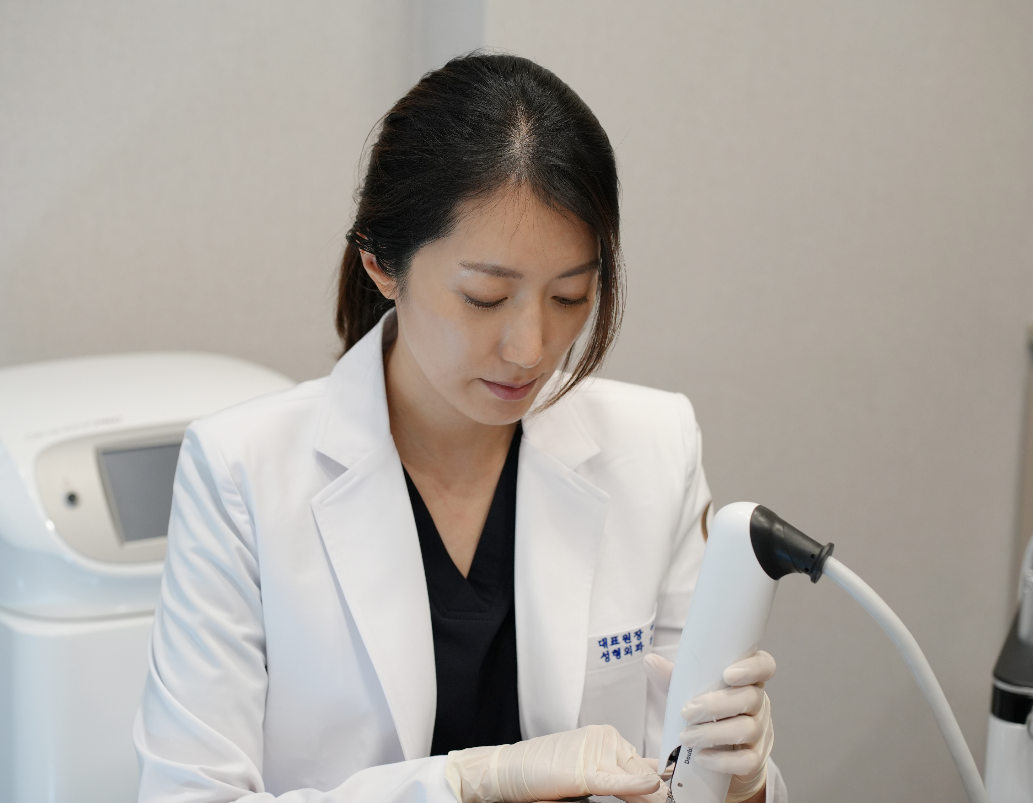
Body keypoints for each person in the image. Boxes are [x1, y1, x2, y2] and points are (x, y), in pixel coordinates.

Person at [134, 54, 788, 803]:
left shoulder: (655, 446)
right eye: (484, 298)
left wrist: (735, 778)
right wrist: (462, 782)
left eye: (570, 296)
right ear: (381, 262)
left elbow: (679, 772)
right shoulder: (242, 472)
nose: (531, 349)